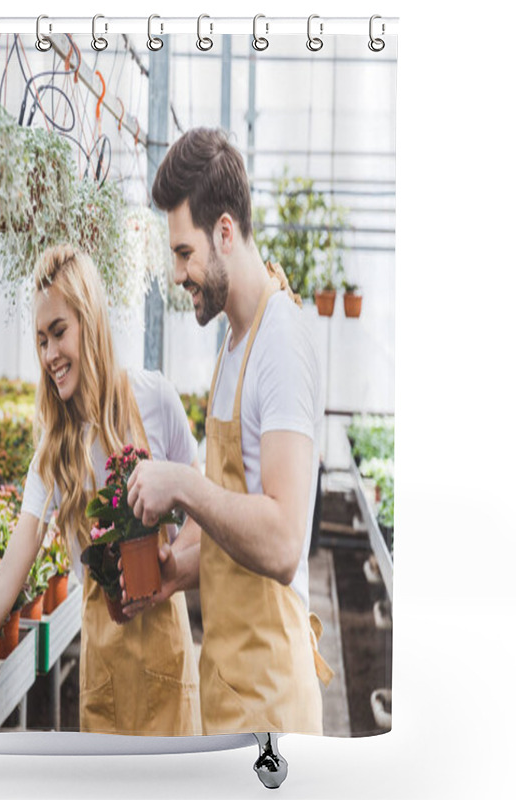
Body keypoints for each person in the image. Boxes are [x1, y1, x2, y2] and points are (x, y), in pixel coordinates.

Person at [0, 244, 200, 736]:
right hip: (103, 676)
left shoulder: (153, 399)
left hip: (167, 667)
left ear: (90, 320)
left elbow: (201, 508)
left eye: (59, 332)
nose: (49, 355)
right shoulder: (55, 453)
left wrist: (168, 572)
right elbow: (8, 577)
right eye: (41, 340)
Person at [125, 128, 333, 736]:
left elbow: (281, 543)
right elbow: (228, 525)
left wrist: (184, 485)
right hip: (229, 690)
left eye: (185, 252)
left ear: (223, 231)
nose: (179, 273)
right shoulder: (235, 342)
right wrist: (171, 573)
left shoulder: (280, 345)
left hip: (270, 702)